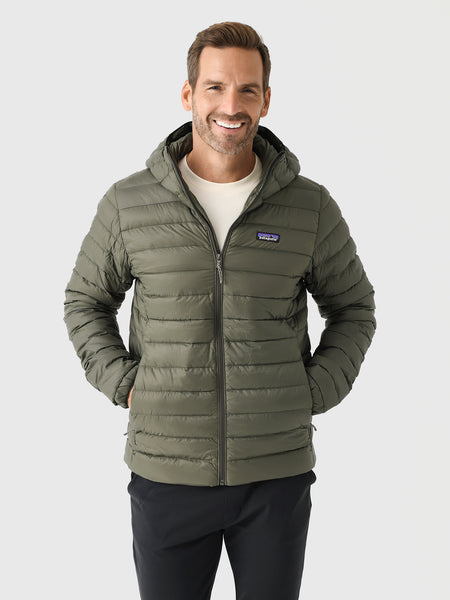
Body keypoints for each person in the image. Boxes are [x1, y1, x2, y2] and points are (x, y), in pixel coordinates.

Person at [64, 21, 376, 600]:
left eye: (247, 90)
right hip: (166, 473)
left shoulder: (307, 206)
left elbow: (354, 307)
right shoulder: (130, 203)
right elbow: (86, 301)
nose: (231, 105)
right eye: (215, 87)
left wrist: (314, 390)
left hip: (275, 475)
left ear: (265, 99)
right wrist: (127, 384)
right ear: (189, 94)